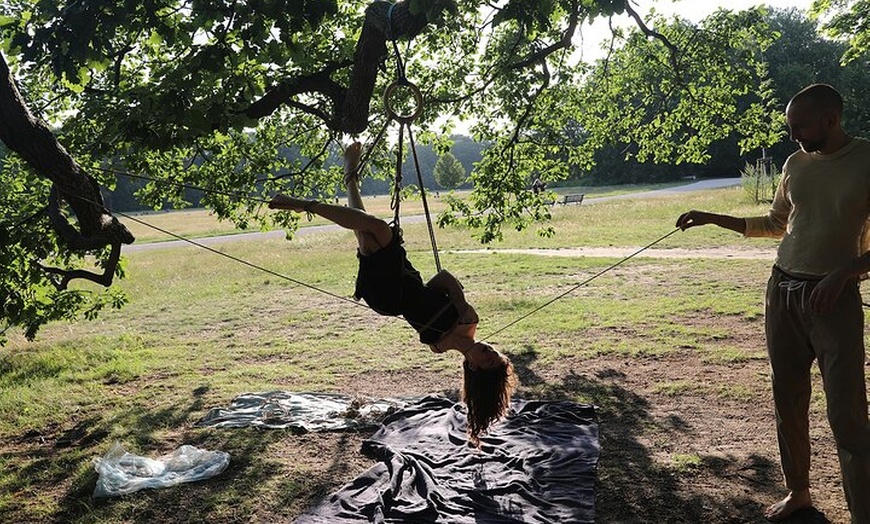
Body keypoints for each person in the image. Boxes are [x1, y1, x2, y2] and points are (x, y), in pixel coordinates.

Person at [676, 84, 870, 523]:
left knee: (847, 414)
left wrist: (843, 274)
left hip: (834, 300)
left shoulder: (865, 160)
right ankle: (798, 491)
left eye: (800, 127)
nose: (793, 135)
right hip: (782, 292)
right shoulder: (795, 164)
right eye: (790, 127)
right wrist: (711, 218)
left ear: (830, 120)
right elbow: (775, 223)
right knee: (788, 397)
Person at [269, 142, 517, 444]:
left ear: (473, 368)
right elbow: (443, 278)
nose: (490, 353)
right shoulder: (468, 318)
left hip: (387, 298)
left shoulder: (439, 348)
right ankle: (346, 178)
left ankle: (312, 200)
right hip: (405, 277)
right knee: (367, 230)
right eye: (496, 354)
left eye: (488, 361)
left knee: (372, 229)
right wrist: (454, 298)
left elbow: (424, 299)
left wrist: (433, 296)